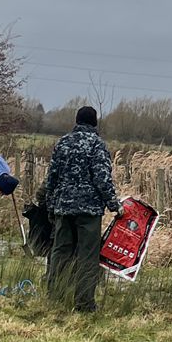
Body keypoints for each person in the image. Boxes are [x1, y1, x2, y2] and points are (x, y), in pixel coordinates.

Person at [41, 106, 118, 312]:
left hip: (62, 208)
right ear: (94, 123)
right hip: (88, 210)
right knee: (87, 255)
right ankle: (84, 303)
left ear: (76, 120)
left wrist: (51, 205)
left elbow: (52, 178)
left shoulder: (63, 142)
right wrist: (115, 205)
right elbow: (102, 179)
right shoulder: (97, 144)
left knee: (60, 251)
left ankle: (55, 295)